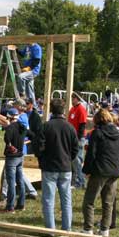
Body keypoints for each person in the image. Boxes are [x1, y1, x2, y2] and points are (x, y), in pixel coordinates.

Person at [36, 98, 78, 230]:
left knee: (48, 200)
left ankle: (51, 230)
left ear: (51, 110)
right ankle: (67, 228)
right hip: (65, 167)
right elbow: (75, 149)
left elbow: (39, 148)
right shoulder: (70, 127)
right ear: (63, 110)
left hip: (49, 167)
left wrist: (42, 160)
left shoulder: (46, 126)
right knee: (66, 200)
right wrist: (68, 159)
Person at [81, 109, 119, 237]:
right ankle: (105, 229)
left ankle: (88, 228)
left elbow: (91, 154)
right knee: (108, 202)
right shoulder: (118, 134)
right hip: (114, 171)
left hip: (100, 170)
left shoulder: (97, 133)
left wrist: (86, 170)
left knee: (89, 201)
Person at [0, 108, 27, 213]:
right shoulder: (22, 127)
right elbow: (31, 134)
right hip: (20, 156)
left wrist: (10, 145)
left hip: (12, 158)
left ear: (9, 117)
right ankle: (21, 204)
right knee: (20, 181)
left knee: (11, 182)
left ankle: (10, 206)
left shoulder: (10, 128)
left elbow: (7, 139)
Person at [68, 93, 88, 189]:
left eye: (73, 98)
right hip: (72, 138)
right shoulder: (72, 109)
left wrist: (78, 139)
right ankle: (75, 181)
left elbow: (82, 125)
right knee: (73, 161)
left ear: (77, 99)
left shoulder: (81, 109)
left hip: (78, 138)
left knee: (78, 160)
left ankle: (81, 182)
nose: (72, 100)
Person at [16, 42, 42, 106]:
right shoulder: (27, 47)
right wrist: (16, 49)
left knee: (21, 77)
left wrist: (29, 68)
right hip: (27, 70)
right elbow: (23, 54)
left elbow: (37, 60)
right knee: (30, 89)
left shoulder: (36, 47)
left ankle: (22, 93)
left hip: (33, 70)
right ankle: (34, 106)